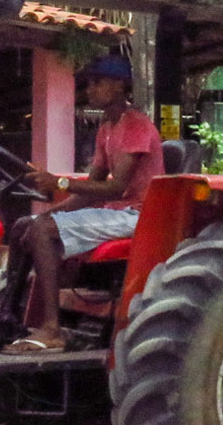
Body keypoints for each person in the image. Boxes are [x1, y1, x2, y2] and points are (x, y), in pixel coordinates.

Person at [8, 53, 162, 352]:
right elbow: (91, 188)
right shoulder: (107, 128)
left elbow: (116, 188)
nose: (89, 90)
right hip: (113, 213)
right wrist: (54, 211)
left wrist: (60, 183)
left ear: (119, 85)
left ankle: (53, 330)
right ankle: (11, 317)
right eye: (88, 84)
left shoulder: (136, 126)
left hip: (136, 215)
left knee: (42, 230)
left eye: (97, 83)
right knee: (24, 226)